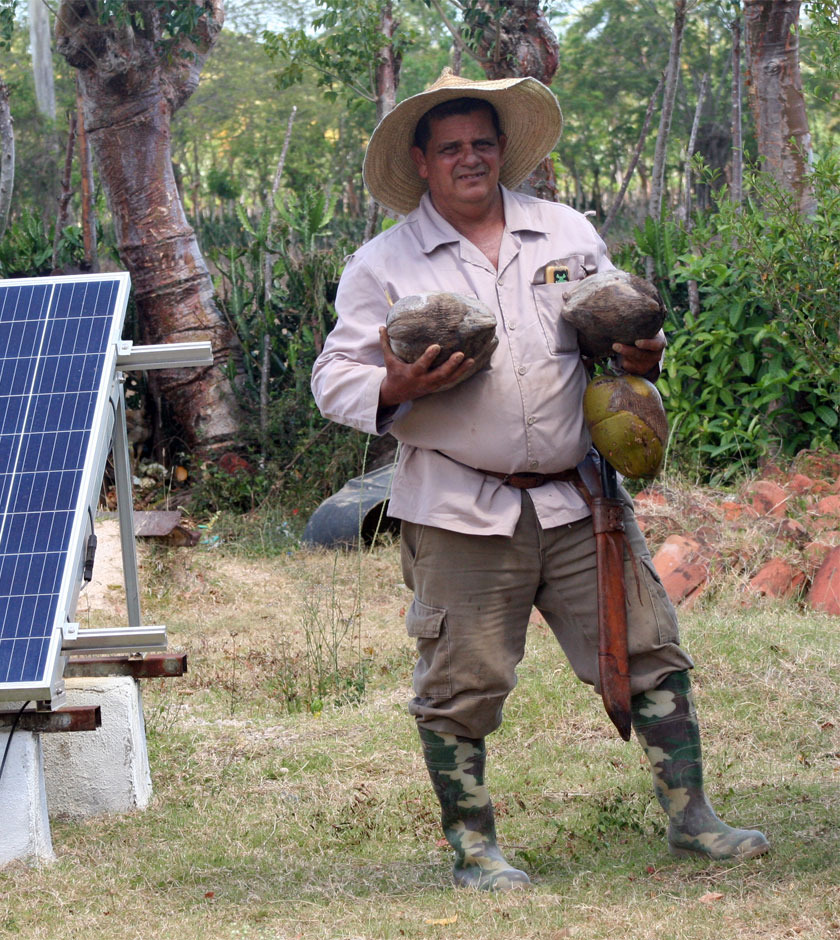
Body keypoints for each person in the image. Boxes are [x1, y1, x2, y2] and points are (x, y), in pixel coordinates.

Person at [311, 69, 768, 890]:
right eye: (450, 148)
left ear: (502, 151)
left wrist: (641, 357)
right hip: (457, 504)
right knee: (461, 681)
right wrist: (397, 387)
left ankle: (693, 816)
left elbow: (613, 330)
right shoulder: (382, 263)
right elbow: (334, 377)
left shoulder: (563, 233)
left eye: (482, 143)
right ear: (421, 160)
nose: (469, 159)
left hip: (579, 496)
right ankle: (474, 847)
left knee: (650, 651)